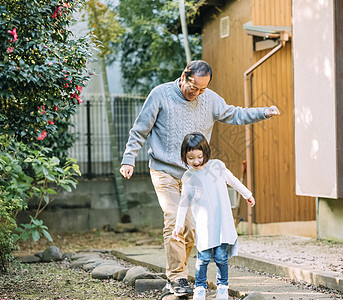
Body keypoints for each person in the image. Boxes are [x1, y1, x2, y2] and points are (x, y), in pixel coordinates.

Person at [119, 60, 279, 296]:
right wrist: (128, 158)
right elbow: (140, 129)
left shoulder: (210, 99)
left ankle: (176, 275)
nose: (197, 93)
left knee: (192, 230)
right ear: (184, 77)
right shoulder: (161, 95)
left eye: (203, 89)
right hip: (164, 171)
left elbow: (235, 114)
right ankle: (177, 278)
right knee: (174, 218)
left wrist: (263, 112)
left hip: (194, 176)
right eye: (194, 87)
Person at [172, 132, 255, 300]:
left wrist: (247, 194)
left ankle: (223, 286)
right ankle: (200, 288)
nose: (196, 161)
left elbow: (233, 181)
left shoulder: (217, 167)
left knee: (220, 257)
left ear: (205, 153)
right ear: (184, 157)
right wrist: (178, 225)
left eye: (199, 157)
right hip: (203, 225)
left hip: (221, 222)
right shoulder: (188, 177)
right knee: (202, 259)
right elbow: (183, 202)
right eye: (191, 158)